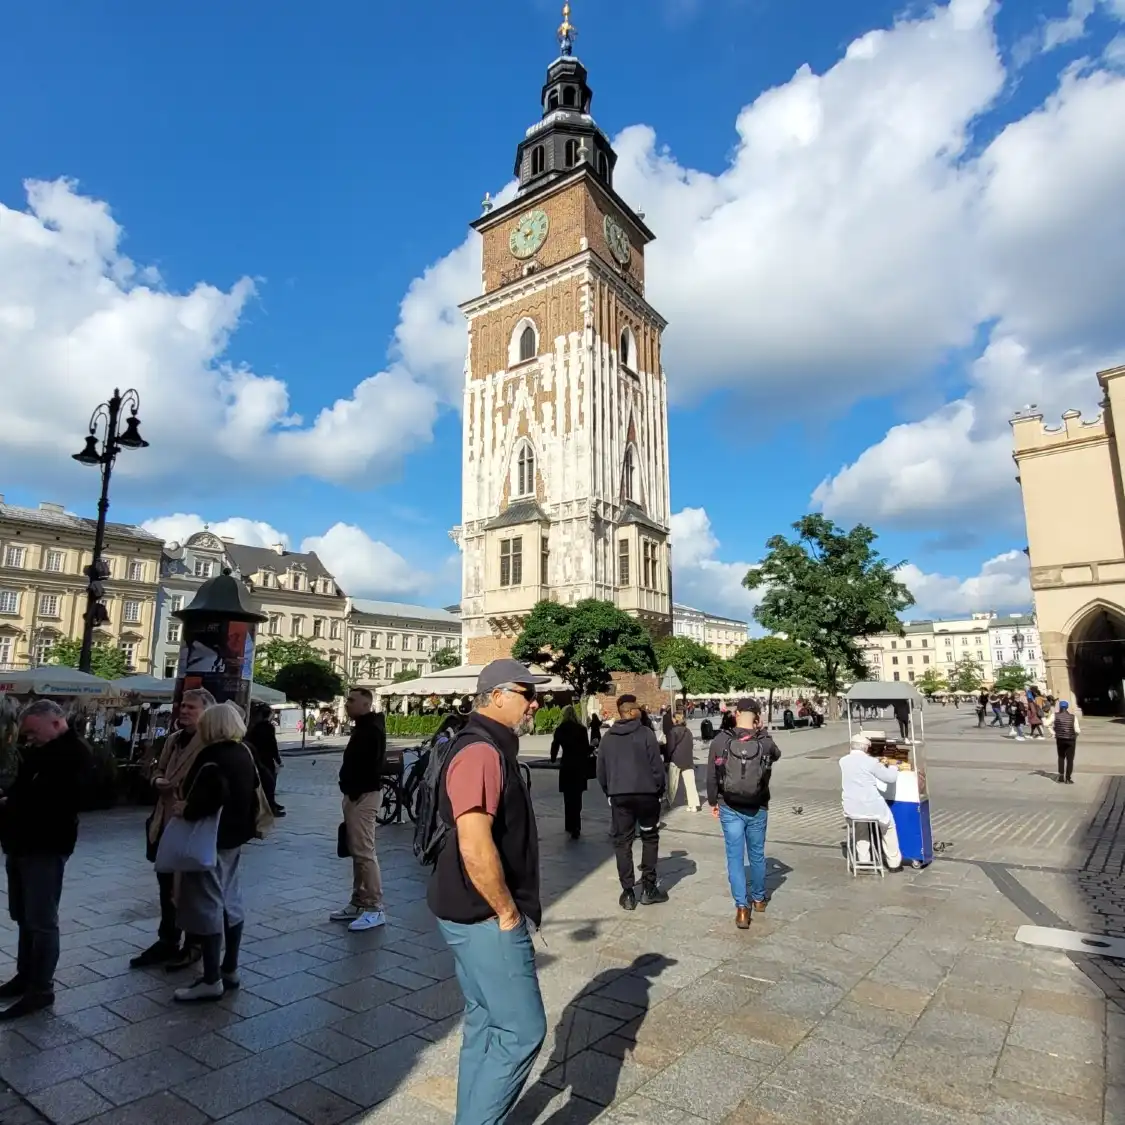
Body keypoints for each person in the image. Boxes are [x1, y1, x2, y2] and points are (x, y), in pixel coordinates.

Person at [427, 659, 549, 1125]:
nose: (534, 702)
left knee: (483, 1020)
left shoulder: (489, 746)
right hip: (483, 915)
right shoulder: (481, 752)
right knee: (522, 1031)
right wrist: (507, 913)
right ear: (497, 696)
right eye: (526, 693)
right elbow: (474, 845)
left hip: (461, 906)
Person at [0, 701, 94, 1019]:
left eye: (32, 731)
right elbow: (25, 791)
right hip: (22, 843)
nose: (28, 737)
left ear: (55, 723)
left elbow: (58, 802)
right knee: (24, 916)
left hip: (45, 846)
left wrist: (13, 805)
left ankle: (41, 989)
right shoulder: (41, 751)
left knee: (41, 920)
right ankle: (25, 976)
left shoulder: (74, 754)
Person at [172, 701, 260, 1003]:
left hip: (210, 839)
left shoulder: (212, 756)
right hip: (236, 836)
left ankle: (211, 979)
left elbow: (206, 798)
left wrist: (186, 808)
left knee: (208, 904)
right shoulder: (244, 752)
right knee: (231, 901)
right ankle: (230, 968)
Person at [131, 687, 216, 972]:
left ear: (206, 712)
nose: (184, 710)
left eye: (192, 707)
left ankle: (194, 944)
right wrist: (157, 781)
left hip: (191, 825)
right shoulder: (173, 740)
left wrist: (181, 792)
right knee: (166, 885)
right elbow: (157, 770)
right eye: (183, 706)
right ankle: (167, 939)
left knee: (191, 887)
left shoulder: (210, 743)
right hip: (164, 821)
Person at [707, 698, 781, 930]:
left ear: (736, 713)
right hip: (758, 805)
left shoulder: (721, 740)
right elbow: (777, 754)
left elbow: (711, 774)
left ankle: (741, 908)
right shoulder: (764, 742)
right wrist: (762, 731)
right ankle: (759, 899)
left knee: (735, 858)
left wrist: (712, 801)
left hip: (729, 805)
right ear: (757, 716)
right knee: (757, 855)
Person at [597, 694, 668, 910]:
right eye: (637, 709)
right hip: (646, 795)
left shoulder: (608, 737)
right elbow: (656, 766)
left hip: (620, 796)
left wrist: (610, 791)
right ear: (629, 712)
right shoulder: (646, 734)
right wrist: (659, 790)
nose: (640, 711)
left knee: (623, 842)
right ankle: (648, 887)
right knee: (649, 837)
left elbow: (601, 771)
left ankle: (628, 892)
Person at [332, 687, 387, 932]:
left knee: (364, 852)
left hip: (363, 796)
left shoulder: (370, 730)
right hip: (357, 794)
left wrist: (353, 791)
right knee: (357, 851)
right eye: (348, 700)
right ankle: (358, 902)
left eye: (353, 700)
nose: (347, 704)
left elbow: (367, 765)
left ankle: (374, 907)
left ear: (366, 704)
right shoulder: (364, 727)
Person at [839, 734, 904, 873]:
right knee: (888, 827)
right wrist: (894, 767)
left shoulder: (843, 761)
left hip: (851, 807)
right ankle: (894, 862)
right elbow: (890, 778)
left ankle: (863, 859)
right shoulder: (870, 762)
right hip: (872, 806)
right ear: (866, 748)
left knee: (861, 828)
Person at [551, 706, 590, 839]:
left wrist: (553, 758)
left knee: (568, 798)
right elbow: (586, 748)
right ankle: (576, 826)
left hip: (566, 765)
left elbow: (555, 745)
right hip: (579, 767)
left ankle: (569, 824)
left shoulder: (560, 729)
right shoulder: (581, 730)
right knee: (577, 797)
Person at [246, 702, 285, 816]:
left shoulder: (254, 727)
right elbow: (272, 744)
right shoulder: (268, 727)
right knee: (269, 784)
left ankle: (271, 804)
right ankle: (270, 807)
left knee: (265, 783)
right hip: (267, 758)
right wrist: (278, 759)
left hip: (258, 758)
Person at [664, 712, 700, 812]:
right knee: (690, 783)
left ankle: (669, 801)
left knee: (673, 784)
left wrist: (667, 759)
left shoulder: (672, 731)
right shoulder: (688, 731)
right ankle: (693, 805)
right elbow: (691, 745)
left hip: (676, 760)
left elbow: (670, 747)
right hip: (688, 759)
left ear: (675, 719)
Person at [1054, 700, 1081, 784]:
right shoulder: (1073, 717)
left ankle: (1061, 777)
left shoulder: (1055, 715)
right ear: (1067, 707)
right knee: (1070, 759)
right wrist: (1075, 735)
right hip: (1071, 740)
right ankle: (1068, 778)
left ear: (1060, 707)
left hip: (1060, 739)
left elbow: (1046, 723)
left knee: (1061, 757)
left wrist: (1053, 732)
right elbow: (1077, 730)